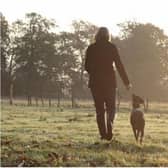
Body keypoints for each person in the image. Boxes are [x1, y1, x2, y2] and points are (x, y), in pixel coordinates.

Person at [85, 27, 131, 140]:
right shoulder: (112, 47)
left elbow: (86, 67)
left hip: (95, 84)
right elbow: (119, 65)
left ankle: (103, 134)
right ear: (108, 35)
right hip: (110, 83)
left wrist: (94, 71)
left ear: (97, 35)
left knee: (100, 110)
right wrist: (127, 82)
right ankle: (110, 125)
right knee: (111, 108)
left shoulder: (91, 48)